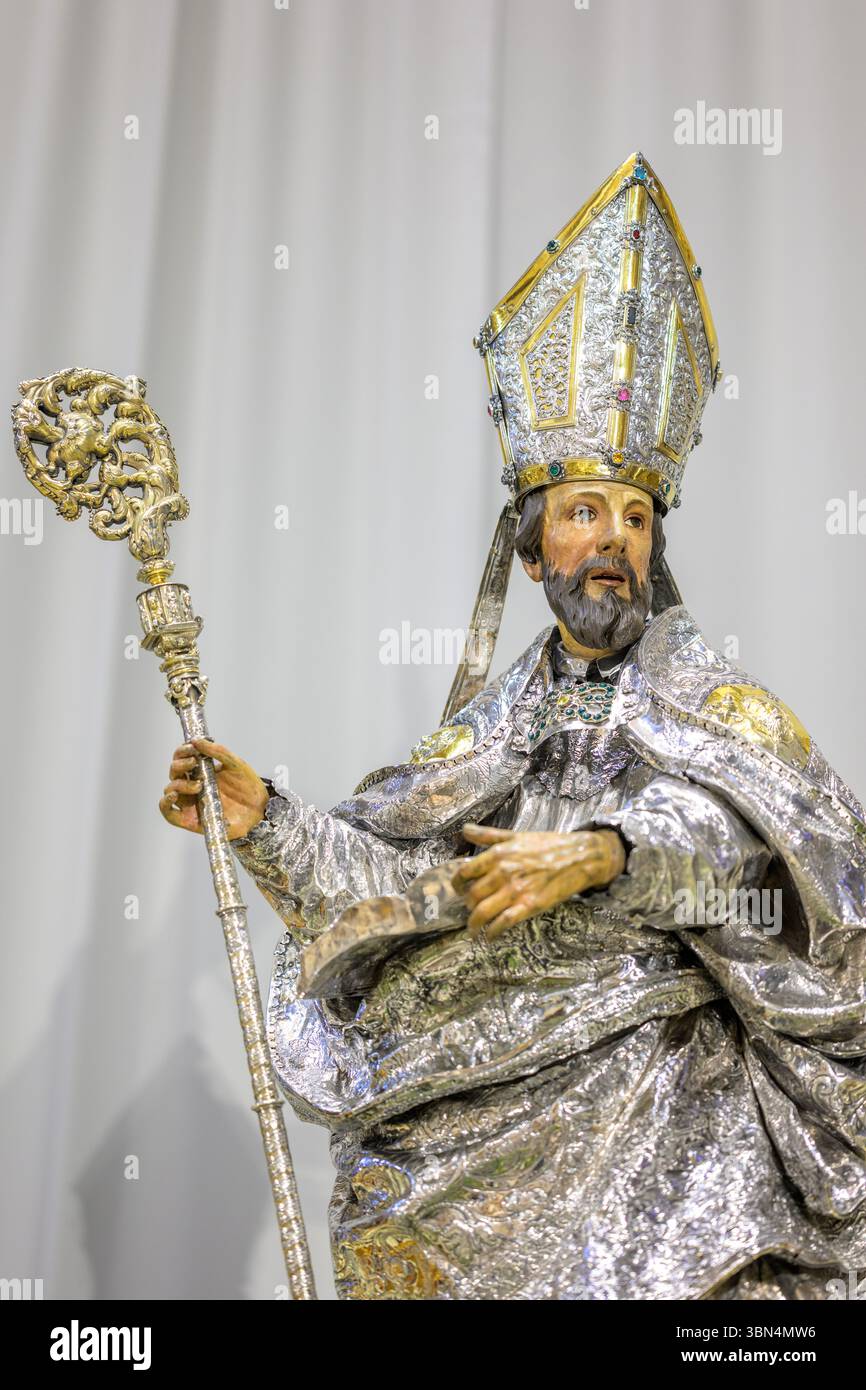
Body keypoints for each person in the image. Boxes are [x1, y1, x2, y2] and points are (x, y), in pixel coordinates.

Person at [160, 153, 866, 1300]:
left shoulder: (727, 719)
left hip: (671, 1136)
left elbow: (781, 878)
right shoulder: (485, 735)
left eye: (635, 516)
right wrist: (265, 822)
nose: (613, 539)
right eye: (584, 512)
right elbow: (391, 878)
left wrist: (602, 856)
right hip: (479, 1140)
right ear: (533, 548)